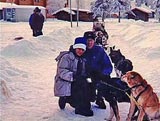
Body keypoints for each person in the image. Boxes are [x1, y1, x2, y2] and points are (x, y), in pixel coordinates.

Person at [54, 37, 93, 116]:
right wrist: (74, 76)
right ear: (75, 48)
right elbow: (61, 71)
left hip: (78, 80)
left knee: (88, 84)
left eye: (82, 50)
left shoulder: (83, 59)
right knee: (80, 88)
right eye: (79, 49)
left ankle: (85, 105)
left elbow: (84, 71)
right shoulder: (66, 57)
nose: (80, 51)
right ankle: (78, 108)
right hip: (66, 81)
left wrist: (88, 76)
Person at [83, 31, 113, 109]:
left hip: (97, 74)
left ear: (94, 41)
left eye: (91, 40)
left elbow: (108, 65)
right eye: (87, 40)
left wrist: (103, 73)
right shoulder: (81, 49)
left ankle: (100, 97)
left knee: (106, 80)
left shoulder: (99, 50)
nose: (89, 42)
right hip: (85, 75)